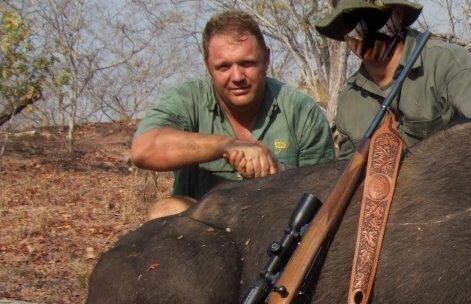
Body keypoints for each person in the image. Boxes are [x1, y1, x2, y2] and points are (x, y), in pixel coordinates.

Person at [132, 11, 335, 220]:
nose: (237, 77)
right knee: (164, 211)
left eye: (247, 63)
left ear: (266, 59)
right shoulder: (188, 99)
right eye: (224, 67)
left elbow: (324, 197)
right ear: (208, 67)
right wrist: (227, 146)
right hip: (203, 234)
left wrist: (277, 174)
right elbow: (143, 149)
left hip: (277, 230)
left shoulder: (302, 111)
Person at [312, 0, 471, 157]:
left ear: (398, 14)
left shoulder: (451, 65)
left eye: (375, 17)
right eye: (352, 22)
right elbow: (347, 169)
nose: (364, 30)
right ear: (342, 32)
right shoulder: (348, 101)